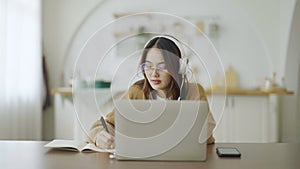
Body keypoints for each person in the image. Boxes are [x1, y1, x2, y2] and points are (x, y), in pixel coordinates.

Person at [88, 35, 216, 149]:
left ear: (178, 67)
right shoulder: (136, 92)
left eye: (162, 66)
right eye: (148, 66)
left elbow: (207, 133)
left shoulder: (193, 91)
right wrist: (100, 135)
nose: (154, 74)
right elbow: (105, 124)